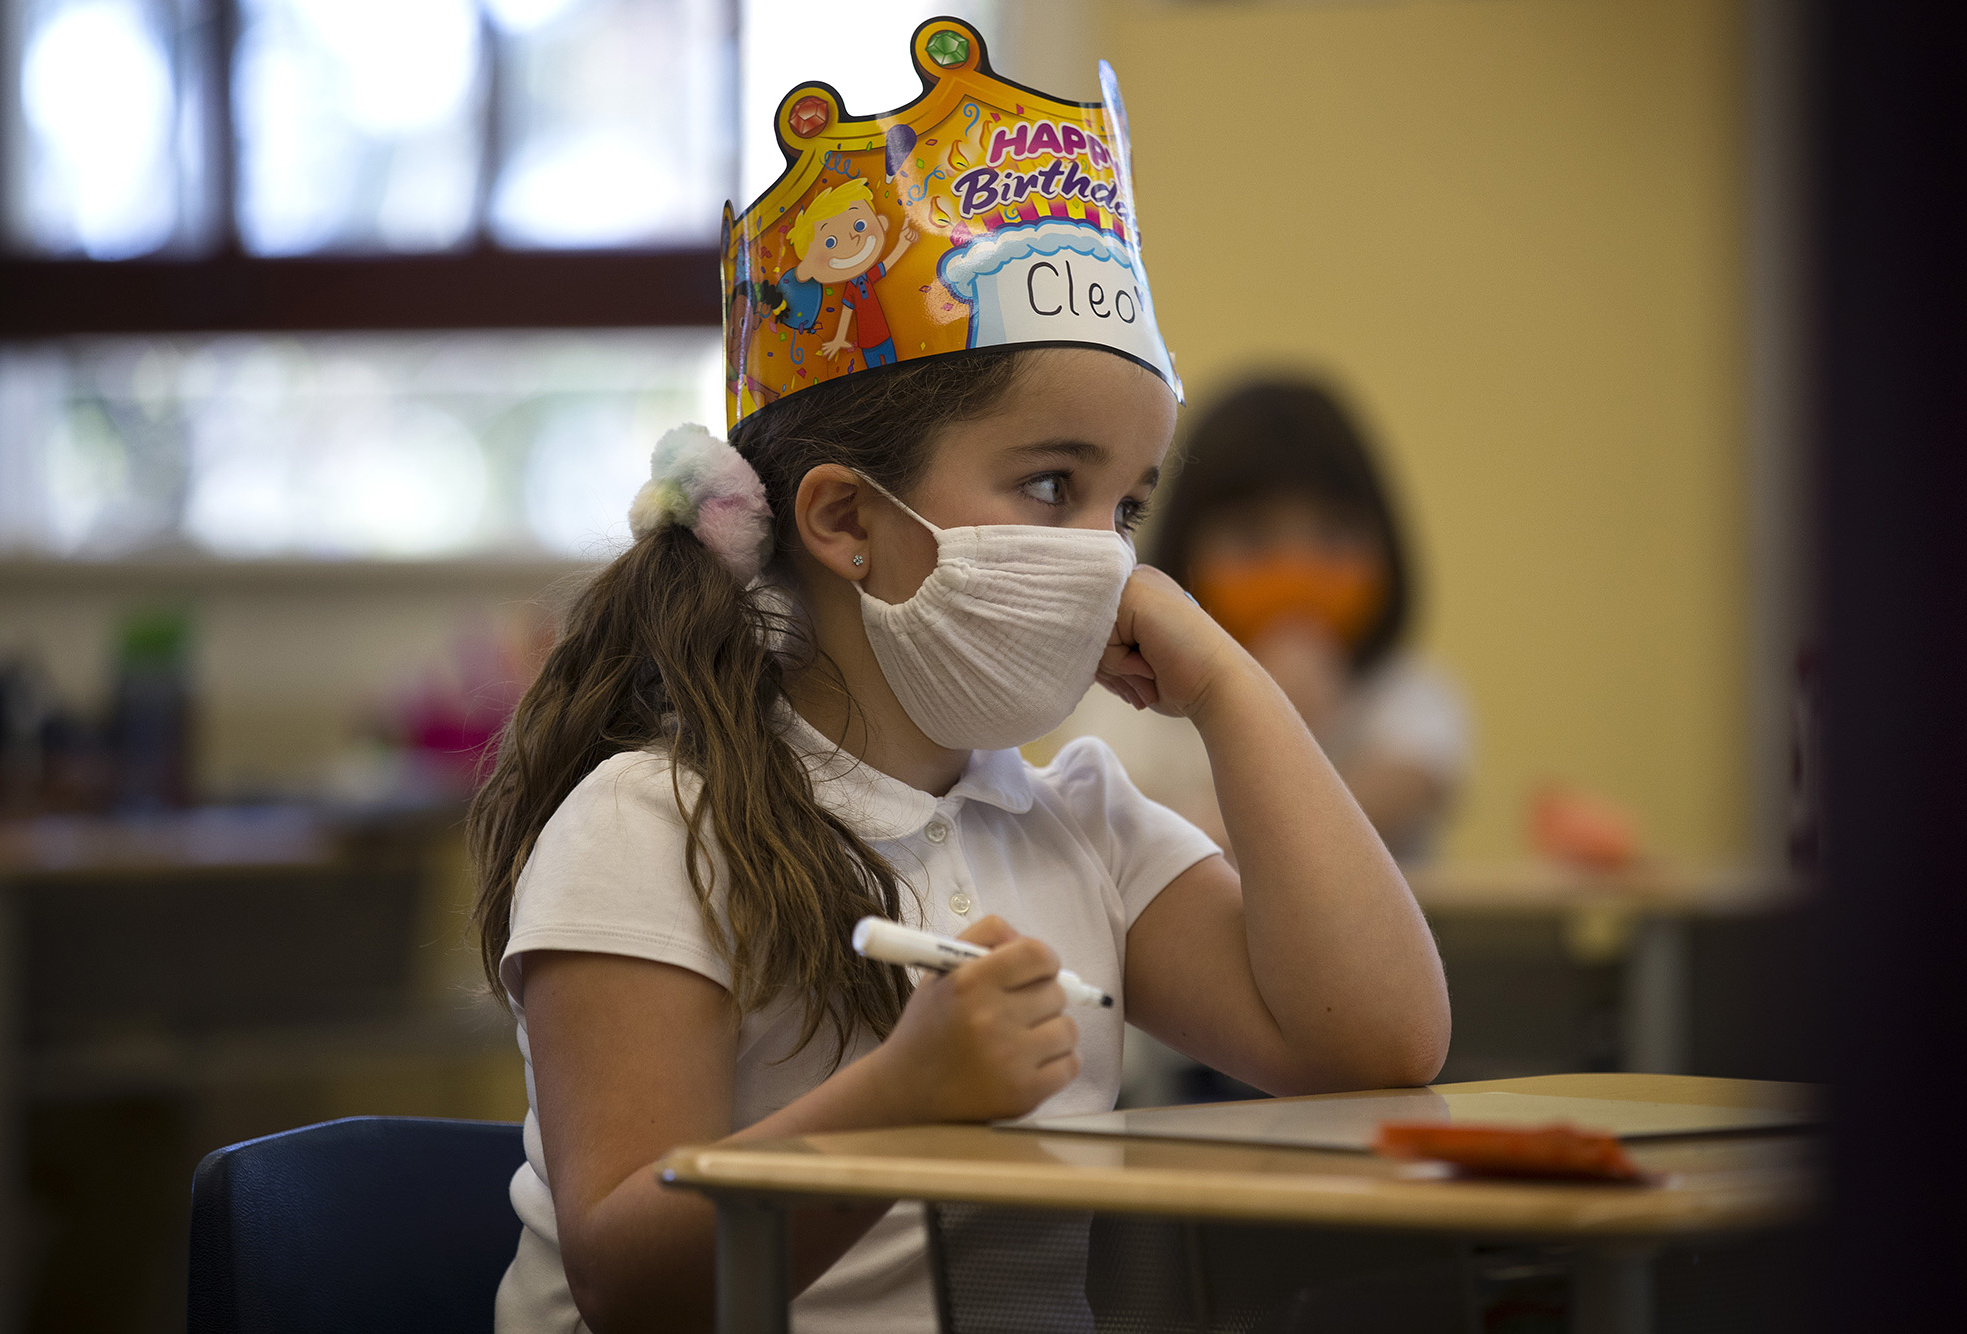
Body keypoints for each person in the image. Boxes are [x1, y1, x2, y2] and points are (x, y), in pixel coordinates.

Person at [468, 21, 1448, 1334]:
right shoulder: (649, 825)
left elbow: (1372, 1043)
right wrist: (902, 1097)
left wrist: (1228, 683)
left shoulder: (1080, 827)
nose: (1106, 558)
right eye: (1051, 485)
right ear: (845, 521)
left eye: (1127, 504)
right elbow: (629, 1280)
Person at [1056, 377, 1470, 866]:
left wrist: (1282, 724)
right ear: (1185, 549)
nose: (1297, 568)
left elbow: (1401, 791)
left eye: (1333, 534)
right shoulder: (1131, 697)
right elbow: (1132, 852)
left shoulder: (1406, 693)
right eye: (1253, 537)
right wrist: (1255, 704)